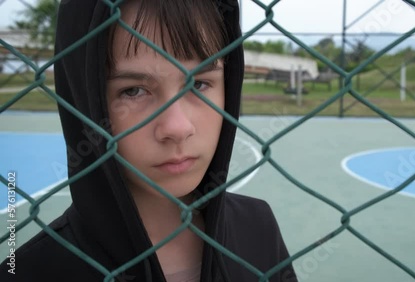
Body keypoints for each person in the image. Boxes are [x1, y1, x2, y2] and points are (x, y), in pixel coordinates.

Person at [0, 0, 297, 281]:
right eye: (133, 91)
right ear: (85, 101)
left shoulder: (259, 229)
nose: (178, 128)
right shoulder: (29, 270)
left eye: (200, 83)